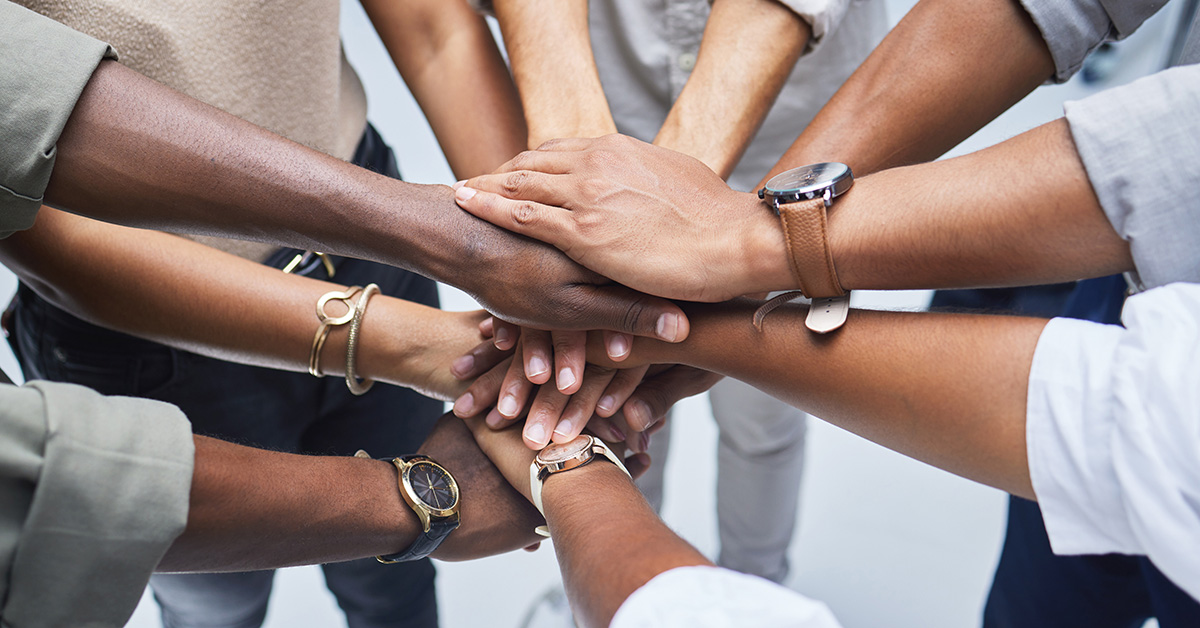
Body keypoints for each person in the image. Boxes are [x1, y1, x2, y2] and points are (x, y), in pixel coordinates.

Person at [464, 0, 885, 583]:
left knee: (765, 410)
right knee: (615, 414)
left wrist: (644, 232)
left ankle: (757, 588)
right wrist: (574, 179)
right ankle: (628, 594)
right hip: (610, 95)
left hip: (797, 139)